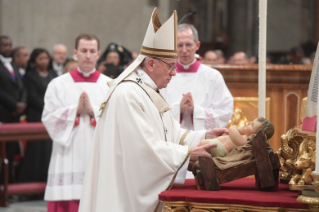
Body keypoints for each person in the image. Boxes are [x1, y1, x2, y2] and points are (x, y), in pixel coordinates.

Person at [79, 8, 228, 212]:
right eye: (170, 66)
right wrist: (187, 154)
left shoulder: (148, 90)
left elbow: (169, 132)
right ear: (150, 64)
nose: (174, 73)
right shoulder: (129, 94)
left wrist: (204, 134)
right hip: (124, 195)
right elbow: (141, 150)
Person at [42, 34, 111, 212]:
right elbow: (48, 118)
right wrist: (75, 110)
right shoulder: (57, 84)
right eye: (83, 51)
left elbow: (117, 121)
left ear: (98, 54)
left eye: (92, 51)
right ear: (75, 53)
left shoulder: (110, 85)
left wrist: (92, 110)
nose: (88, 55)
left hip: (97, 153)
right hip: (67, 153)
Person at [161, 24, 233, 131]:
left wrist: (195, 111)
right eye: (180, 45)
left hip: (202, 141)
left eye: (189, 45)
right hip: (172, 142)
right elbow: (153, 111)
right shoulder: (163, 75)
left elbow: (225, 111)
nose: (184, 50)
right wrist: (178, 109)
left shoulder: (213, 76)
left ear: (197, 45)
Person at [20, 48, 57, 182]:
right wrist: (50, 107)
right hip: (36, 115)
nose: (44, 61)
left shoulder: (53, 74)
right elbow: (32, 97)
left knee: (49, 149)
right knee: (35, 150)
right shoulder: (30, 76)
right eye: (40, 58)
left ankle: (47, 181)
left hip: (53, 117)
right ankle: (31, 183)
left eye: (46, 58)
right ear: (34, 60)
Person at [0, 35, 26, 182]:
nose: (8, 48)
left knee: (10, 152)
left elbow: (21, 87)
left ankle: (8, 184)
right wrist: (14, 105)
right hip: (3, 112)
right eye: (4, 45)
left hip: (15, 114)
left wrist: (21, 103)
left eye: (10, 45)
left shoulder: (14, 65)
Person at [200, 117, 274, 157]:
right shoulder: (244, 135)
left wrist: (234, 127)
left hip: (220, 149)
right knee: (200, 145)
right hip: (218, 143)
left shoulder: (245, 141)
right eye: (251, 121)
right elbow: (237, 130)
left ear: (257, 135)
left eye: (252, 125)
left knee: (202, 143)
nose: (249, 123)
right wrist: (244, 128)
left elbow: (232, 130)